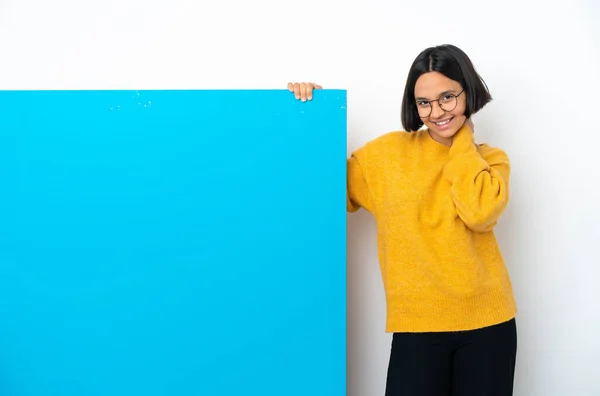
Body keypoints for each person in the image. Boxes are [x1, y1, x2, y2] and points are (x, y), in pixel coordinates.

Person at [287, 44, 518, 396]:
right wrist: (311, 116)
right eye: (424, 102)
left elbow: (479, 213)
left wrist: (462, 140)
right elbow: (320, 189)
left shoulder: (489, 161)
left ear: (468, 94)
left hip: (488, 326)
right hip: (417, 328)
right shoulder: (387, 156)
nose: (436, 111)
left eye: (447, 98)